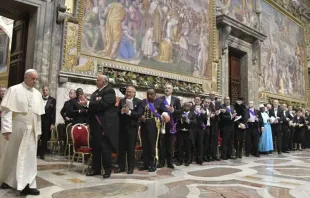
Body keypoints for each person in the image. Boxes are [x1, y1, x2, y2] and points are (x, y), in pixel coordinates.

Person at [0, 69, 45, 196]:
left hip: (31, 130)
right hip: (16, 129)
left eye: (36, 79)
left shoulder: (37, 94)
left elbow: (38, 115)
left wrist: (39, 130)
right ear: (26, 77)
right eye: (33, 78)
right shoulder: (14, 90)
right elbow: (7, 111)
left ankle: (28, 184)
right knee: (11, 156)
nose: (35, 81)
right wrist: (6, 129)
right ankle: (7, 180)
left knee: (29, 158)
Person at [80, 75, 119, 179]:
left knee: (105, 148)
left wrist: (88, 103)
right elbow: (93, 106)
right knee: (96, 147)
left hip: (104, 125)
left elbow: (104, 104)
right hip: (94, 124)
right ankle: (95, 169)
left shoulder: (110, 91)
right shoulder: (95, 93)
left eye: (98, 80)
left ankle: (107, 170)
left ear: (104, 82)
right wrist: (86, 105)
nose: (96, 81)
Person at [137, 88, 168, 172]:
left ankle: (153, 164)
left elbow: (165, 111)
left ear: (155, 95)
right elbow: (139, 112)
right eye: (148, 94)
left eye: (151, 94)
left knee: (152, 144)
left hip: (154, 124)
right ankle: (145, 163)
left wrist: (164, 115)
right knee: (145, 144)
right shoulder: (143, 102)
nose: (149, 96)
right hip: (144, 124)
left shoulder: (160, 102)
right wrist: (140, 116)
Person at [115, 86, 141, 174]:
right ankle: (121, 166)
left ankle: (131, 167)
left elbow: (138, 114)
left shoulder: (138, 101)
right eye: (127, 91)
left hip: (132, 128)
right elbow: (117, 112)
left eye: (130, 92)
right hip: (122, 128)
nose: (128, 93)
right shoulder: (122, 101)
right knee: (121, 149)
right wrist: (122, 111)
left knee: (130, 149)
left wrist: (129, 112)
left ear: (134, 93)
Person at [158, 83, 181, 169]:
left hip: (172, 126)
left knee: (170, 145)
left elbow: (180, 112)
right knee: (162, 144)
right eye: (166, 88)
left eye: (169, 88)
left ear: (172, 90)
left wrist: (173, 110)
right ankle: (161, 162)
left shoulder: (176, 100)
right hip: (162, 125)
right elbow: (157, 111)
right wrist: (161, 117)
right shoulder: (159, 99)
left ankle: (170, 162)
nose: (167, 89)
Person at [38, 86, 56, 160]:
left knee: (45, 137)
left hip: (47, 121)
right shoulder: (39, 98)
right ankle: (36, 152)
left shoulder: (53, 100)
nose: (45, 91)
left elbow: (53, 112)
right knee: (38, 136)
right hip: (39, 119)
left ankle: (42, 154)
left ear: (48, 91)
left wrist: (52, 123)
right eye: (44, 90)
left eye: (46, 90)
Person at [176, 102, 196, 166]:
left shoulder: (193, 113)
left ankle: (188, 160)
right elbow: (177, 120)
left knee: (188, 147)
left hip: (188, 133)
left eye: (188, 106)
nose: (186, 107)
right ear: (183, 106)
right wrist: (181, 120)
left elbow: (195, 122)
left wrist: (189, 121)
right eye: (185, 106)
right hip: (181, 132)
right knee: (180, 147)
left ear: (190, 107)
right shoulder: (180, 112)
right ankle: (180, 160)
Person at [209, 91, 220, 161]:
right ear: (210, 95)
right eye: (211, 94)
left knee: (215, 139)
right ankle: (210, 155)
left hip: (216, 123)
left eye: (214, 95)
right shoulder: (207, 102)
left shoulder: (218, 103)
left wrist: (219, 112)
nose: (212, 96)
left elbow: (220, 111)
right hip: (210, 123)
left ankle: (214, 155)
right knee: (210, 139)